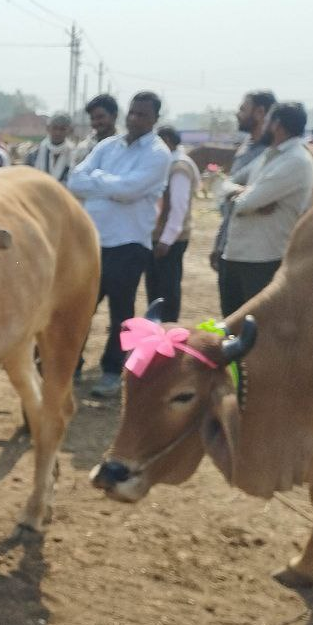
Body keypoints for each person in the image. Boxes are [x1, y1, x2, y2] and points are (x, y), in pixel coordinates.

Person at [68, 91, 172, 397]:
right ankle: (71, 364)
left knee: (121, 314)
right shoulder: (107, 145)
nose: (135, 119)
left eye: (143, 114)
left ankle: (113, 371)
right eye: (133, 113)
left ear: (155, 119)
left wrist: (97, 181)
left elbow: (129, 190)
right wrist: (110, 183)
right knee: (79, 307)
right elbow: (75, 181)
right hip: (93, 242)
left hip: (129, 244)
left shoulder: (158, 153)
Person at [220, 102, 313, 311]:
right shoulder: (270, 155)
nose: (262, 126)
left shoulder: (296, 161)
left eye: (267, 121)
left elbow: (243, 205)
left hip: (263, 261)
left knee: (257, 336)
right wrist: (242, 194)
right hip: (237, 255)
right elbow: (224, 185)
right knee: (229, 332)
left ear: (277, 124)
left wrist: (242, 198)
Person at [212, 90, 275, 316]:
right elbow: (226, 196)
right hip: (229, 247)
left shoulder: (273, 154)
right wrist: (219, 244)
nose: (238, 114)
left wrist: (237, 194)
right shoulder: (245, 148)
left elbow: (262, 203)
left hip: (257, 255)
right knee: (230, 318)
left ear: (259, 113)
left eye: (242, 109)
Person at [145, 126, 199, 322]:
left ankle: (167, 330)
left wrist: (166, 240)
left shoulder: (179, 167)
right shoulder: (169, 163)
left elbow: (179, 207)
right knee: (155, 289)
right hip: (159, 237)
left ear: (167, 140)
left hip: (170, 240)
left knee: (167, 290)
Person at [26, 112, 77, 184]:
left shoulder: (75, 156)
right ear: (48, 129)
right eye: (55, 128)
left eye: (62, 129)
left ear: (69, 131)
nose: (58, 132)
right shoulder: (34, 154)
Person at [73, 94, 120, 164]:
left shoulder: (125, 147)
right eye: (92, 118)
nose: (95, 122)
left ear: (114, 116)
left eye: (100, 117)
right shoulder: (83, 149)